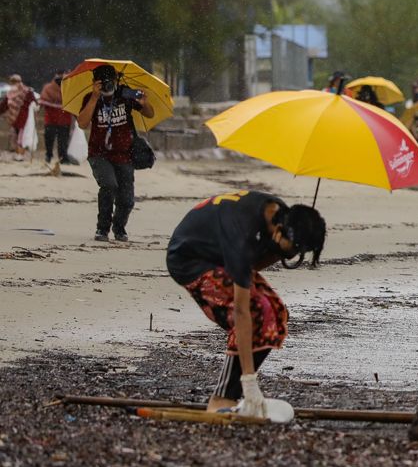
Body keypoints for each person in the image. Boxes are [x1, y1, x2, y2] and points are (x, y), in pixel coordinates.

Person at [166, 190, 326, 415]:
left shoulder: (278, 212)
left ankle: (232, 392)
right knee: (255, 310)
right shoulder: (242, 234)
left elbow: (256, 263)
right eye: (295, 249)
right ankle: (222, 398)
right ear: (280, 232)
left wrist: (281, 251)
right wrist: (250, 382)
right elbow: (241, 311)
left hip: (221, 256)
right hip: (189, 260)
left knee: (276, 314)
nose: (294, 255)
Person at [77, 64, 155, 242]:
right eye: (102, 82)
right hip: (99, 154)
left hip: (124, 154)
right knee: (109, 185)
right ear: (94, 83)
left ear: (116, 80)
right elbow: (82, 123)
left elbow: (150, 114)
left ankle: (119, 228)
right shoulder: (90, 98)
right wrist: (95, 97)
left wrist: (144, 103)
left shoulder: (125, 95)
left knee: (127, 199)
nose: (107, 85)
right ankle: (102, 229)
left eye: (110, 81)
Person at [40, 70, 73, 170]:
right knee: (49, 139)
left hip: (65, 119)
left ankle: (63, 157)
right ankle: (49, 155)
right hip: (51, 119)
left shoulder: (70, 88)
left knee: (63, 140)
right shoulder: (48, 88)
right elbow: (43, 100)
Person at [4, 74, 35, 160]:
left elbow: (33, 102)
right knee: (15, 137)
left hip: (23, 118)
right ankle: (18, 154)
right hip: (14, 119)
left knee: (22, 137)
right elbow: (5, 105)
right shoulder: (10, 93)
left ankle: (21, 155)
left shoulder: (27, 91)